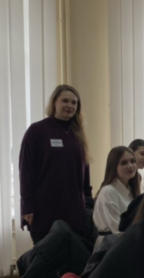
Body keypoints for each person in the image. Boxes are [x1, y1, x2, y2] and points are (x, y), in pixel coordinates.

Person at [19, 85, 93, 244]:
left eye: (74, 103)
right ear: (54, 103)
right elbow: (25, 171)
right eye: (65, 101)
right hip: (44, 210)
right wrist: (27, 206)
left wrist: (88, 203)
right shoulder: (37, 130)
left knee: (73, 257)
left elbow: (84, 171)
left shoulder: (78, 134)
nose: (70, 105)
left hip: (74, 212)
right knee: (47, 256)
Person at [92, 146, 140, 251]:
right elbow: (118, 230)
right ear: (113, 166)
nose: (130, 166)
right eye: (124, 163)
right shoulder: (109, 191)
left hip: (125, 242)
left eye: (133, 161)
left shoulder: (130, 191)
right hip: (110, 246)